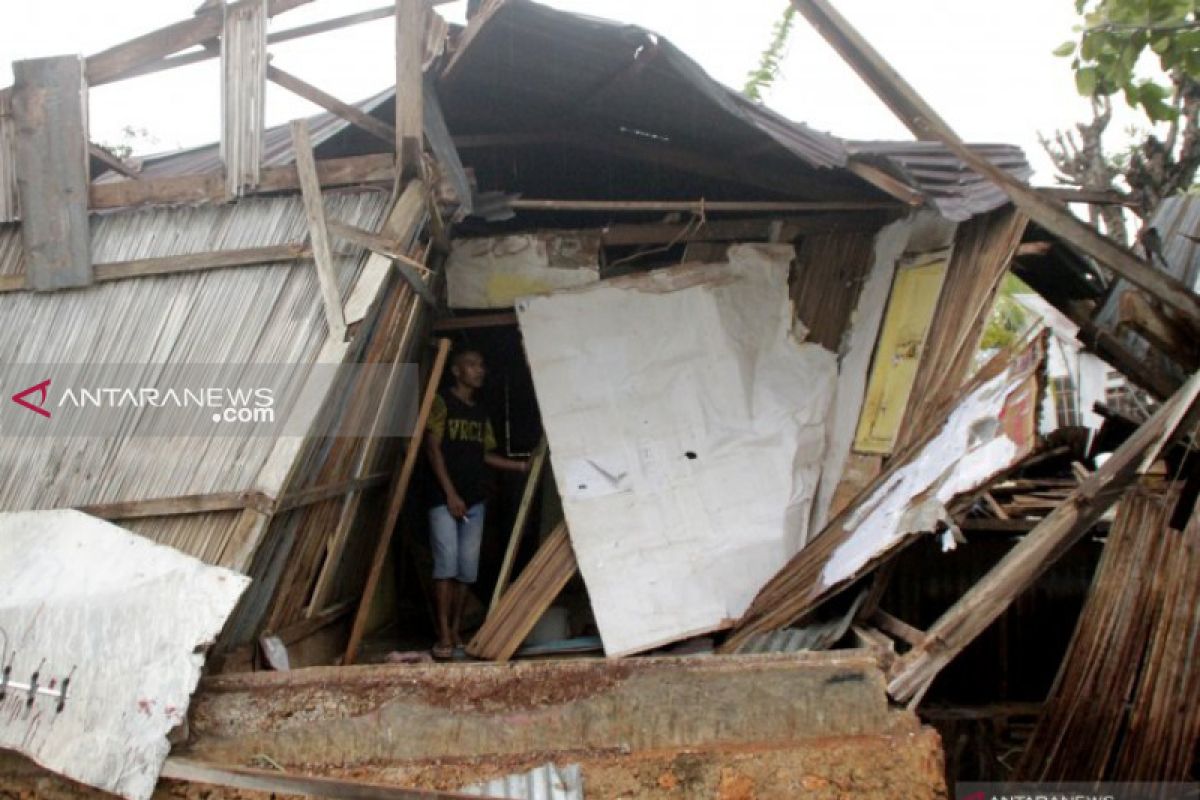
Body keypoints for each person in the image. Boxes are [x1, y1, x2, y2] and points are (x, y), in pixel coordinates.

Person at [424, 347, 527, 660]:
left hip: (475, 501)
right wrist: (451, 494)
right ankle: (443, 633)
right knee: (446, 565)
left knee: (466, 571)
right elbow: (432, 450)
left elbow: (485, 454)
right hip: (443, 498)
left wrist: (520, 467)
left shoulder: (480, 412)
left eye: (481, 364)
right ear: (456, 371)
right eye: (471, 365)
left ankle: (455, 630)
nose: (479, 370)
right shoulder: (442, 402)